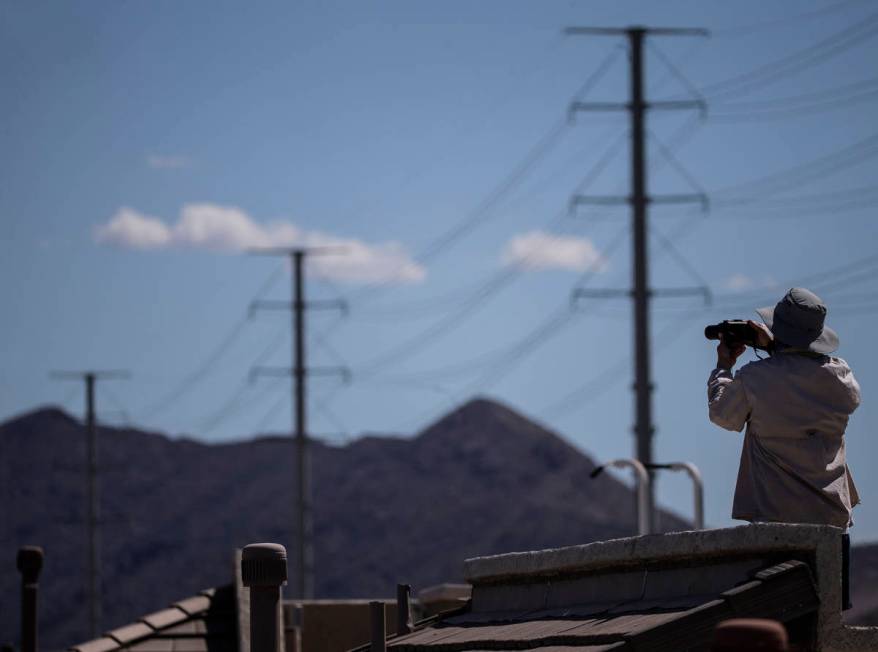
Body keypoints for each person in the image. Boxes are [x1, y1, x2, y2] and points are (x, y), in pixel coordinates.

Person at [707, 287, 861, 529]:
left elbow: (722, 415)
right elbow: (799, 375)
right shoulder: (841, 376)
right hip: (832, 519)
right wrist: (777, 347)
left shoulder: (754, 378)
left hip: (775, 518)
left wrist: (723, 368)